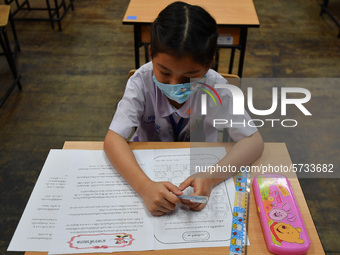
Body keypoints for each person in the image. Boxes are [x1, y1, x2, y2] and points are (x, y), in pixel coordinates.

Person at [104, 1, 264, 216]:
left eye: (189, 77)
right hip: (145, 170)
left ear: (209, 65)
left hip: (199, 168)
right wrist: (144, 187)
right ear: (151, 53)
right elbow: (113, 139)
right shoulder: (141, 81)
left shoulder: (217, 89)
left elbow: (253, 142)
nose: (175, 85)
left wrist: (211, 177)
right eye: (164, 72)